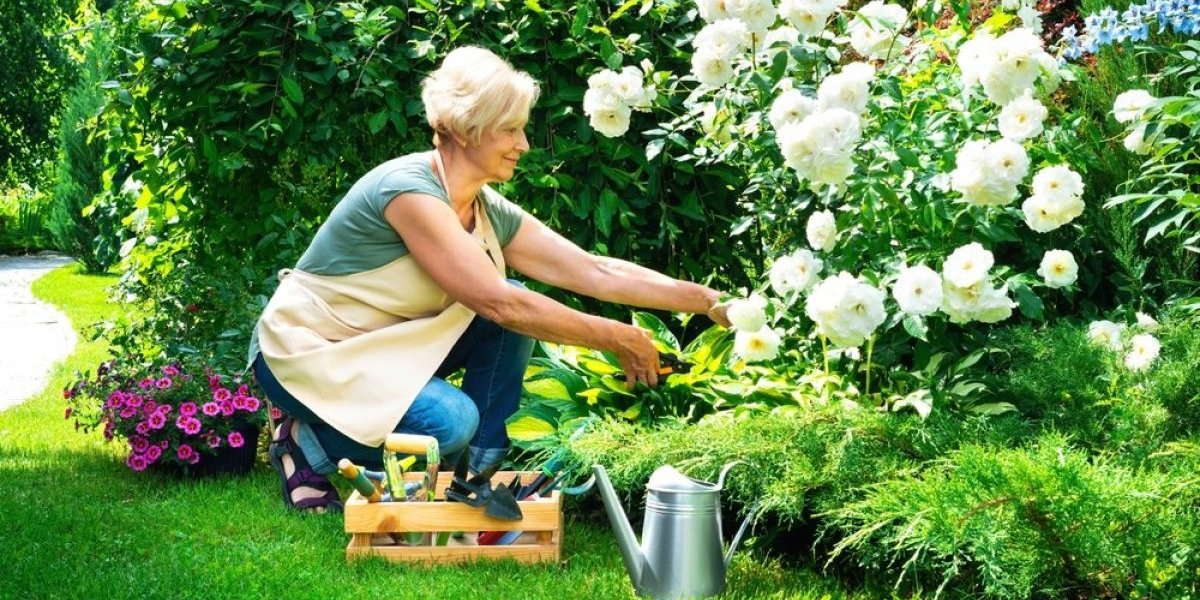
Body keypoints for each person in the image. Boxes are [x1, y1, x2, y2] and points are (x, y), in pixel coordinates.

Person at [249, 46, 731, 512]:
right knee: (449, 422)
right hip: (310, 352)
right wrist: (616, 337)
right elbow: (500, 304)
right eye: (510, 130)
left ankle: (473, 479)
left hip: (385, 352)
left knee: (512, 313)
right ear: (466, 129)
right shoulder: (407, 192)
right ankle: (305, 442)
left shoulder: (482, 206)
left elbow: (593, 269)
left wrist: (708, 300)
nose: (523, 144)